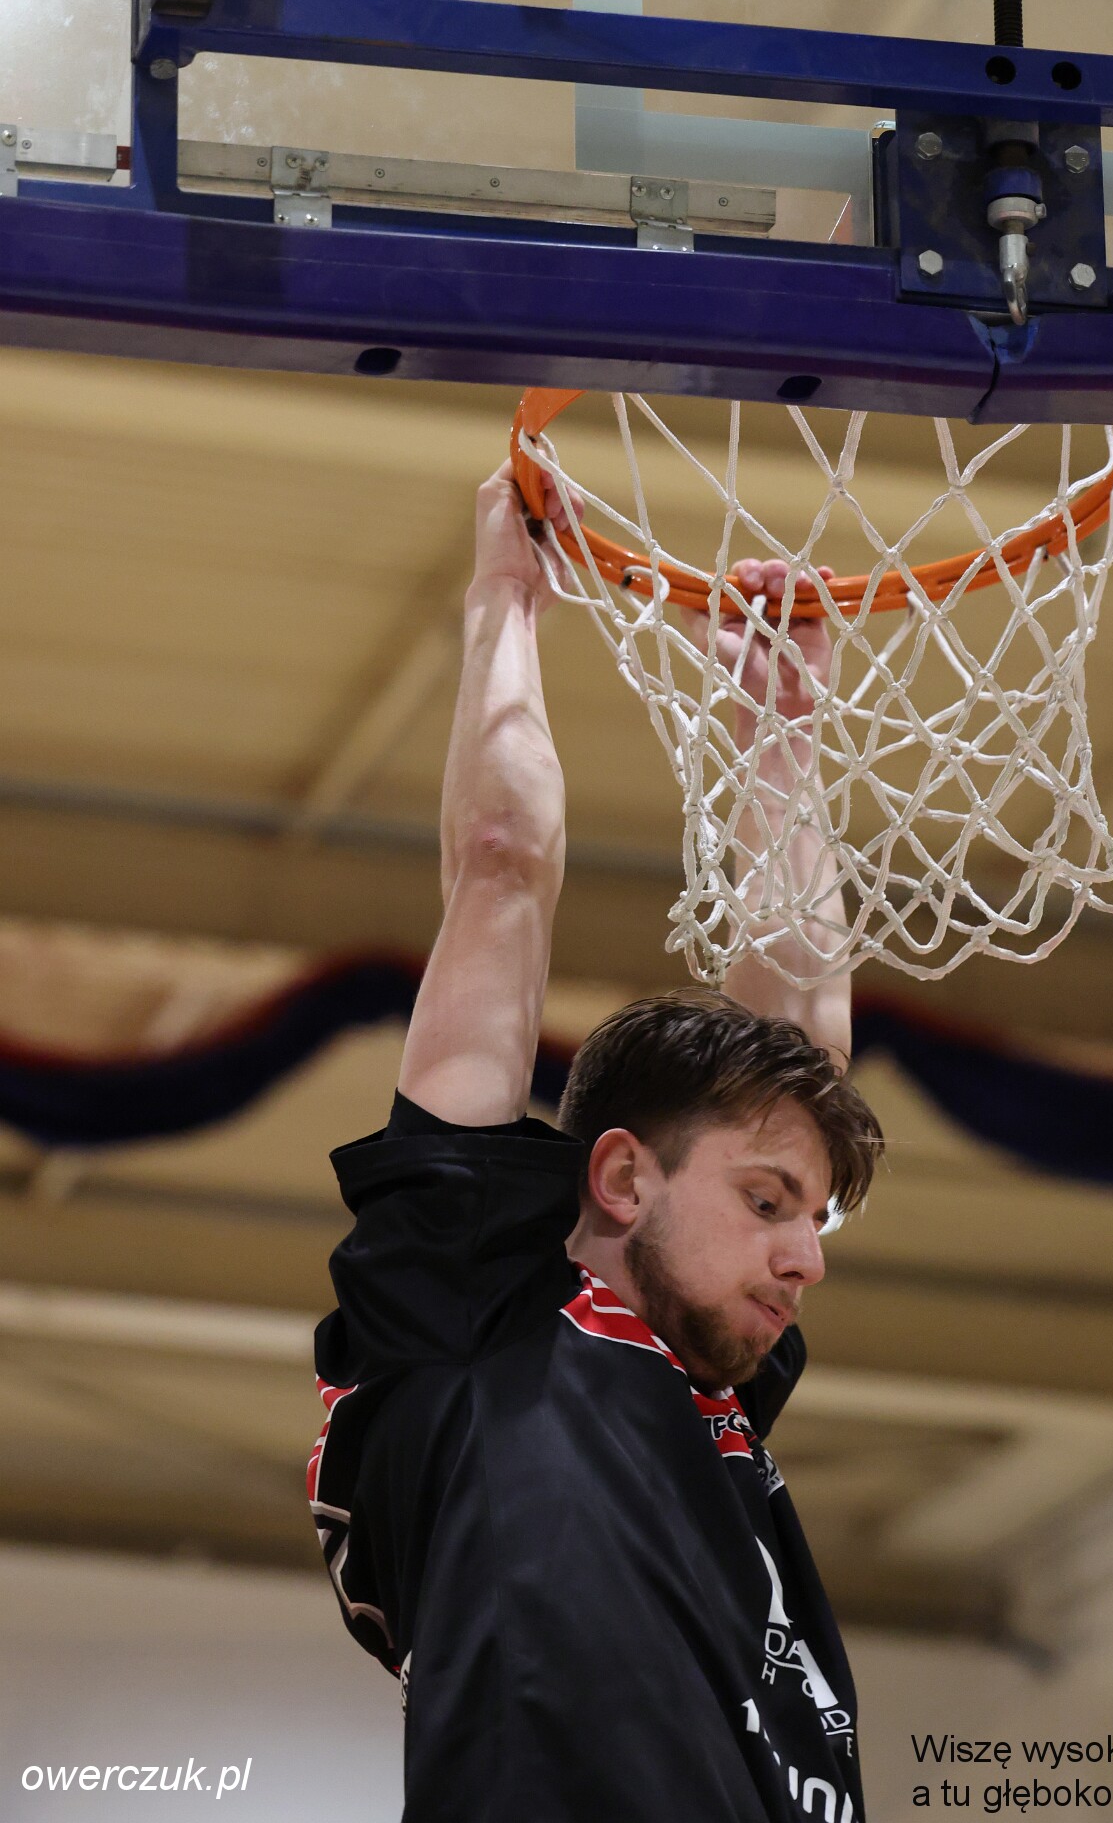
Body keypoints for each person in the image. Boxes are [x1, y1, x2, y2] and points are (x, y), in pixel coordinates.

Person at [309, 457, 884, 1823]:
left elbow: (800, 1048)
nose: (808, 1258)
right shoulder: (468, 1316)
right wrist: (505, 597)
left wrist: (781, 730)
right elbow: (500, 863)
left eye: (811, 1219)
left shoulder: (707, 1388)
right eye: (768, 1204)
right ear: (622, 1176)